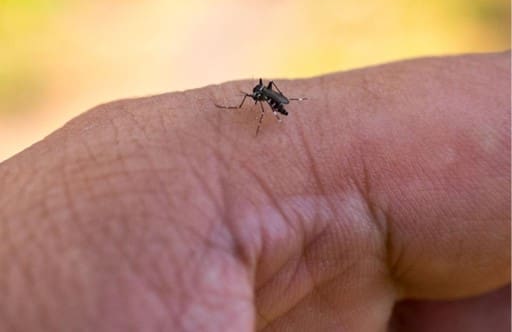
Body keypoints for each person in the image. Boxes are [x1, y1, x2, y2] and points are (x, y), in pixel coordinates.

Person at [0, 52, 509, 331]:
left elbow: (266, 102)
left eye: (265, 95)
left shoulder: (266, 100)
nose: (263, 96)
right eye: (266, 95)